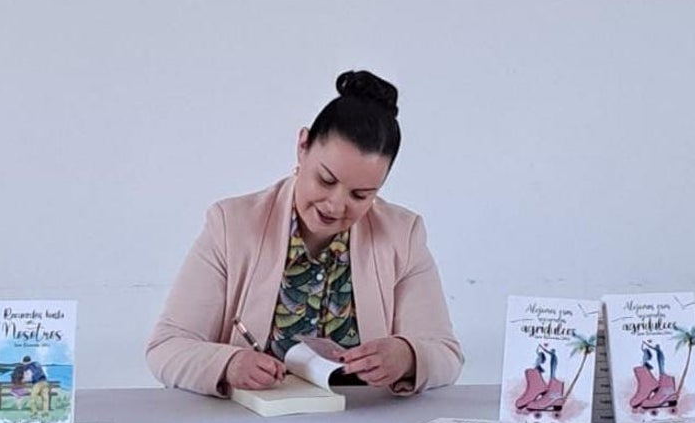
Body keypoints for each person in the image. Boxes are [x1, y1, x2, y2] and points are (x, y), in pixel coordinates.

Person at [146, 70, 463, 396]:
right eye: (326, 180)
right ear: (303, 146)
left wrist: (408, 355)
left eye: (360, 195)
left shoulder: (402, 234)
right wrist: (229, 364)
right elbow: (166, 347)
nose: (336, 205)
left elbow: (446, 354)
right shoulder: (232, 225)